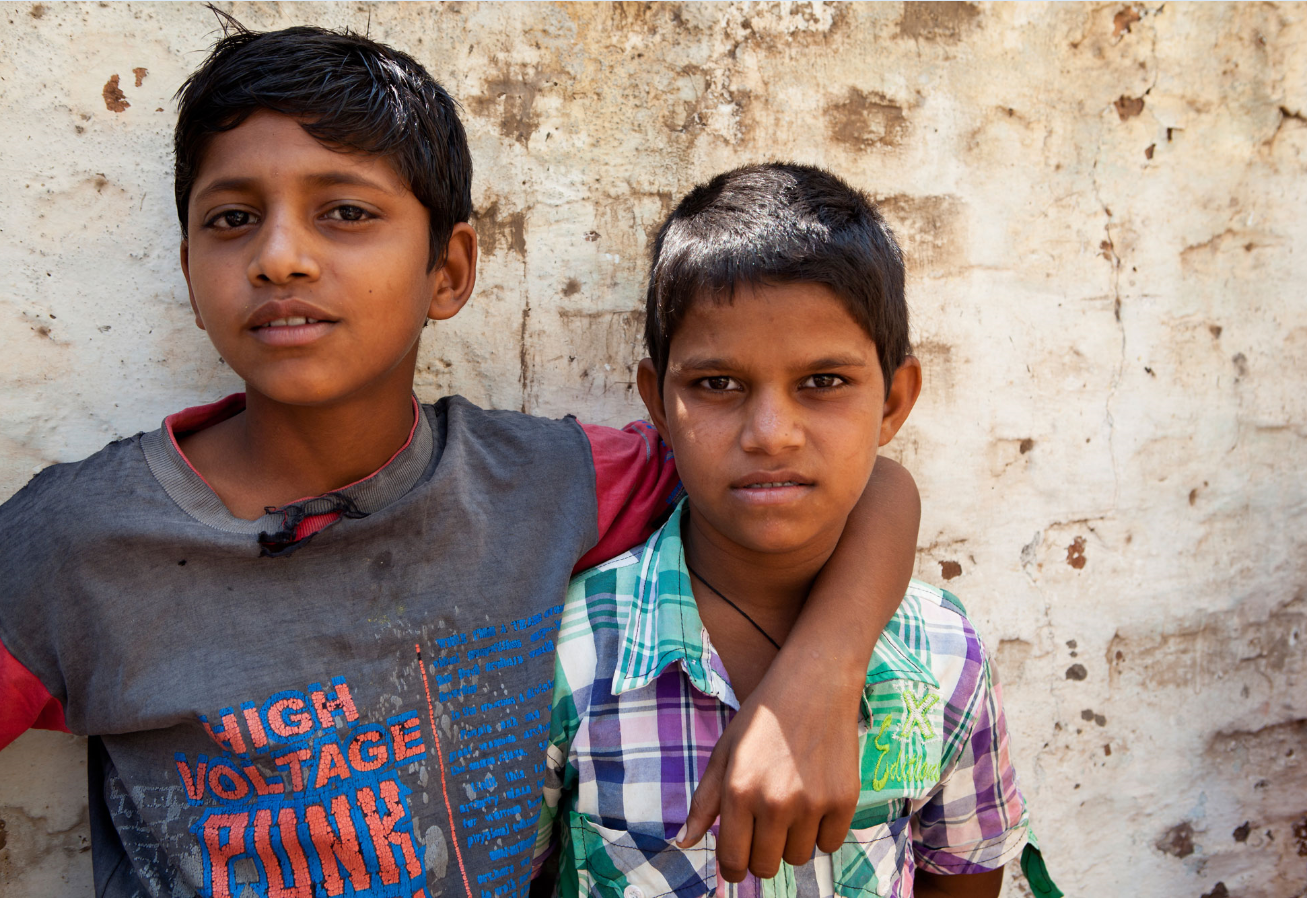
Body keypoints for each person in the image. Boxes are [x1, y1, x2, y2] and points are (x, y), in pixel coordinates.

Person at [0, 23, 923, 898]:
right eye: (233, 218)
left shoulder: (546, 484)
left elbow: (861, 479)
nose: (280, 256)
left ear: (449, 270)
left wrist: (815, 682)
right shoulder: (79, 543)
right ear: (190, 271)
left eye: (345, 212)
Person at [533, 164, 1059, 898]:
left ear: (894, 400)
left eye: (822, 382)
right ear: (658, 400)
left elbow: (964, 871)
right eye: (717, 384)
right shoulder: (571, 655)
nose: (771, 434)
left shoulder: (939, 654)